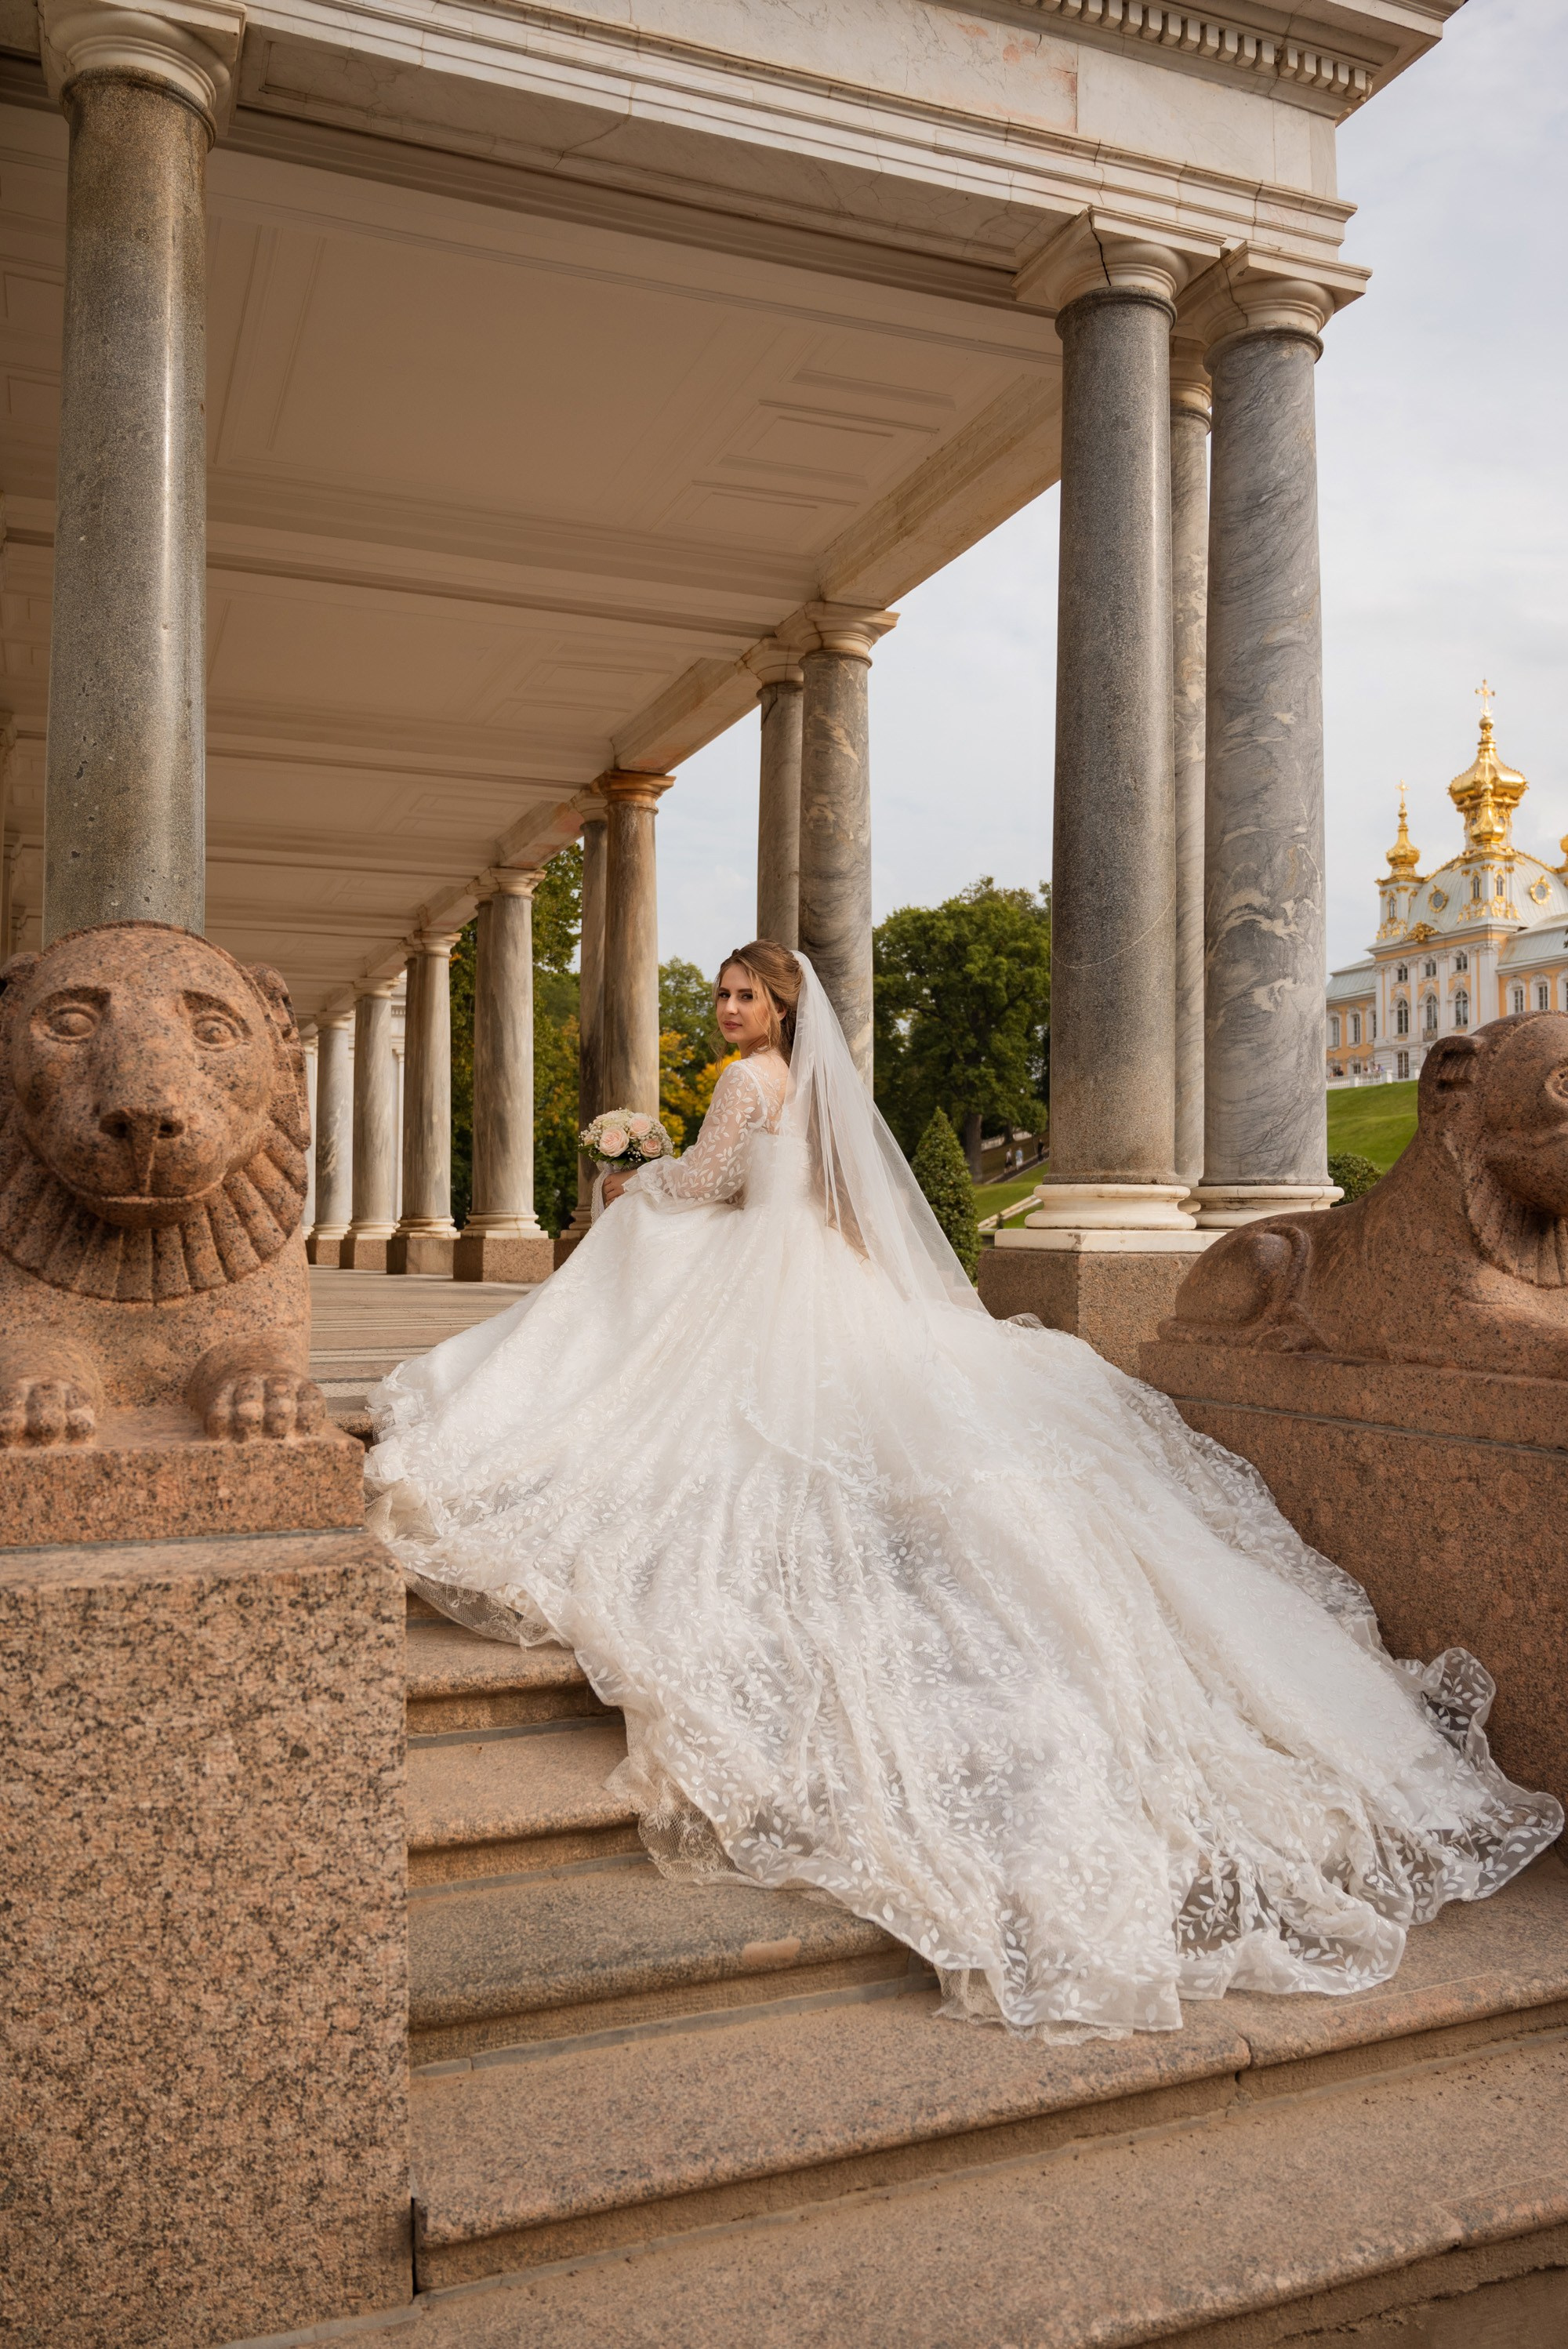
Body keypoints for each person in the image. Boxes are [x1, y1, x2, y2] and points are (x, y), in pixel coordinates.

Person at [366, 942, 1560, 2043]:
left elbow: (714, 1185)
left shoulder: (742, 1085)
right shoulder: (815, 1085)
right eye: (725, 994)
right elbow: (828, 1197)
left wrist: (634, 1175)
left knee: (638, 1261)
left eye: (743, 995)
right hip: (812, 1271)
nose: (730, 1010)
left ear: (777, 1009)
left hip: (748, 1264)